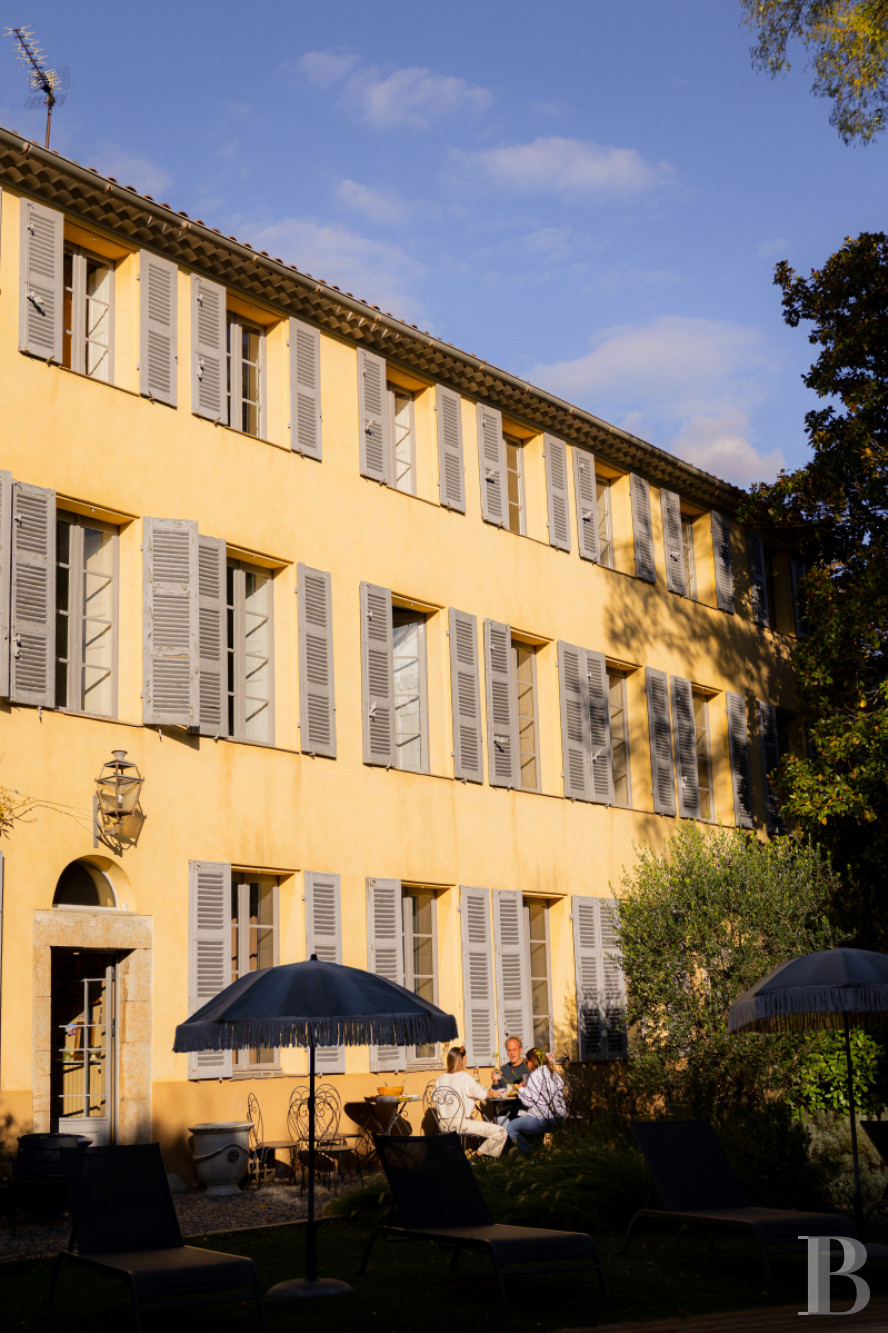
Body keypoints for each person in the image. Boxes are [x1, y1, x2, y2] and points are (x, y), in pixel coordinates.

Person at [434, 1047, 508, 1158]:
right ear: (461, 1060)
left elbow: (435, 1101)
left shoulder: (440, 1079)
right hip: (460, 1124)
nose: (466, 1061)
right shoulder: (464, 1077)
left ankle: (483, 1159)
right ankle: (477, 1157)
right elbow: (480, 1094)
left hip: (443, 1125)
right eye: (465, 1058)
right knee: (501, 1132)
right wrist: (491, 1093)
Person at [506, 1046, 567, 1156]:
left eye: (526, 1061)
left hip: (543, 1119)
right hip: (560, 1117)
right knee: (528, 1122)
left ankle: (528, 1154)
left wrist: (519, 1088)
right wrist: (527, 1088)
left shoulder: (535, 1075)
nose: (526, 1064)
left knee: (511, 1127)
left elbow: (529, 1101)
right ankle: (538, 1151)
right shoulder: (554, 1074)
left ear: (531, 1061)